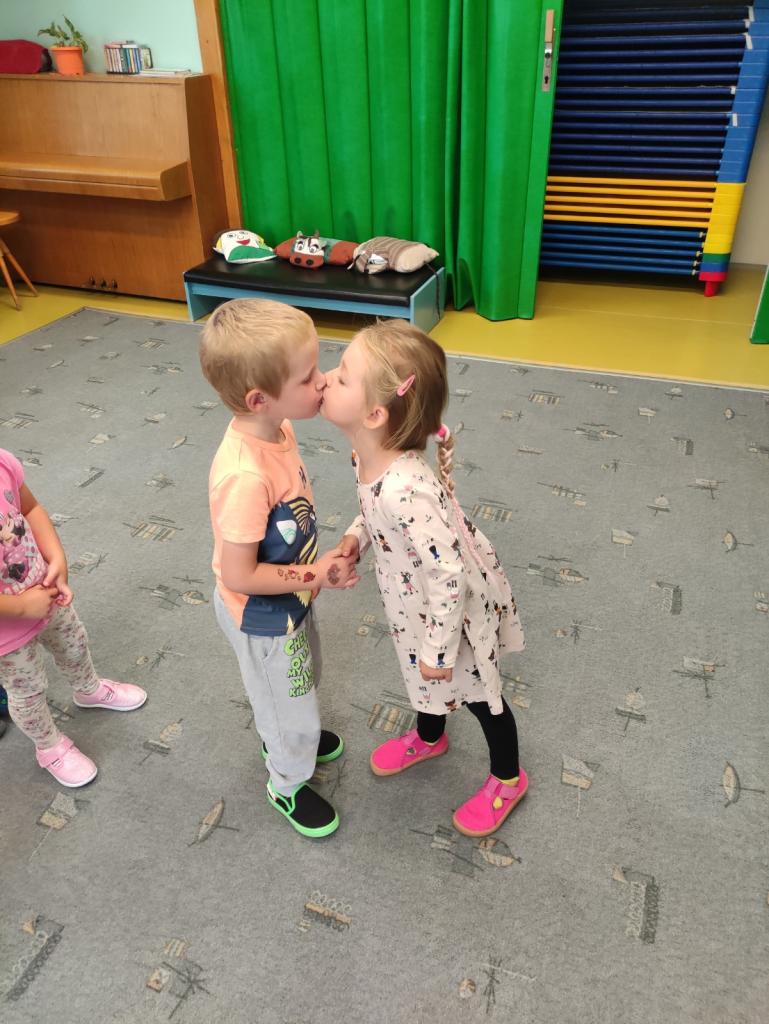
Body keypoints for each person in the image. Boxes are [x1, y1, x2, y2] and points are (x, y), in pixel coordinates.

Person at [321, 319, 527, 837]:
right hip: (411, 600)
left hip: (449, 612)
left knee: (479, 694)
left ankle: (508, 776)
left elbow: (448, 571)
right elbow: (373, 513)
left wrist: (439, 646)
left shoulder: (404, 488)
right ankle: (431, 735)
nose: (324, 379)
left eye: (341, 376)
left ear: (375, 414)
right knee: (419, 674)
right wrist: (356, 537)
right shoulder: (367, 456)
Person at [199, 299, 359, 839]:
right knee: (284, 703)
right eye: (308, 376)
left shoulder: (278, 426)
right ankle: (286, 779)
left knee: (303, 677)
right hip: (262, 617)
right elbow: (239, 575)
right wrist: (317, 574)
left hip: (291, 602)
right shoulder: (244, 477)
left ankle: (295, 732)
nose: (322, 381)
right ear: (259, 399)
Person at [0, 449, 147, 786]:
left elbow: (30, 509)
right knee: (27, 691)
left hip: (46, 590)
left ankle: (88, 689)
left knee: (74, 644)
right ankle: (49, 747)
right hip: (6, 632)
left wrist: (57, 559)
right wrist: (20, 608)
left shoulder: (2, 462)